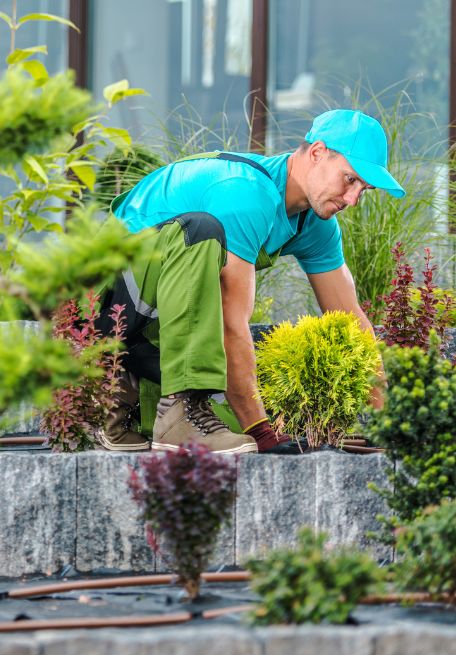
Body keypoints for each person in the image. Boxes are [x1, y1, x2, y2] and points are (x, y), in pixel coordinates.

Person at [95, 109, 405, 454]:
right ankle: (161, 406)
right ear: (317, 152)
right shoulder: (245, 193)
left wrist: (386, 423)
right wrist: (261, 433)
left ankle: (128, 401)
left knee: (230, 427)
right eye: (350, 179)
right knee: (200, 231)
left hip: (155, 322)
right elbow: (231, 322)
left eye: (364, 189)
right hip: (105, 307)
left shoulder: (315, 223)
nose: (352, 199)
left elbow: (352, 321)